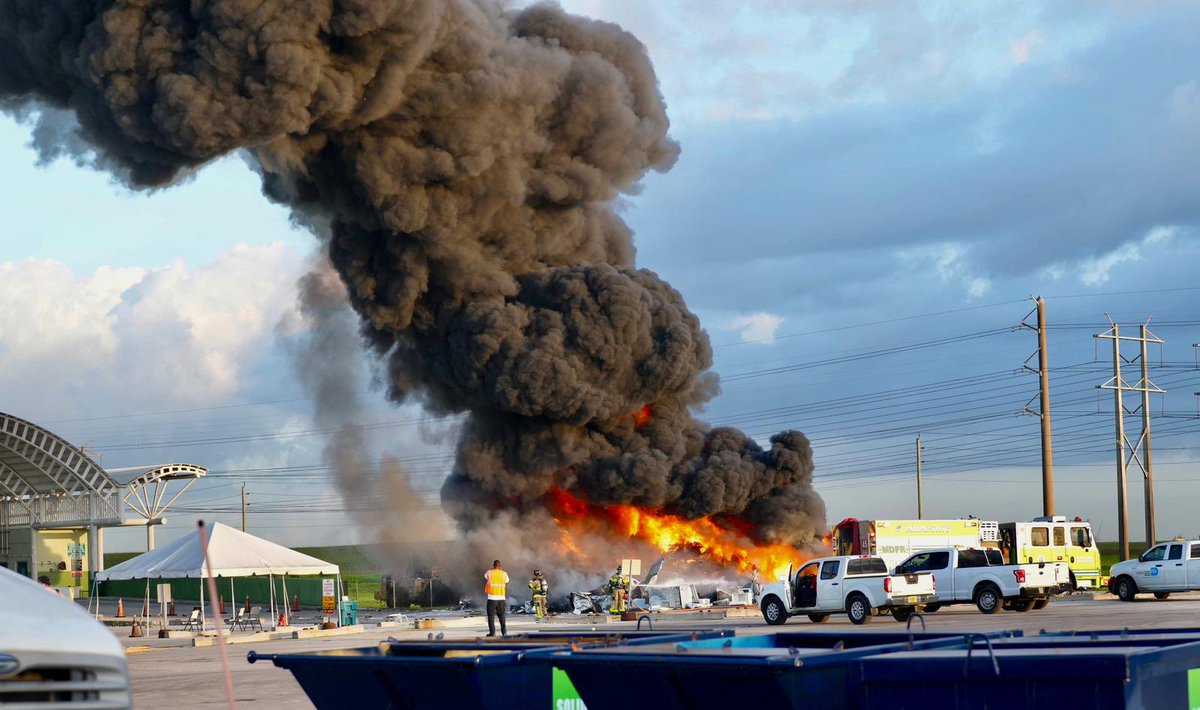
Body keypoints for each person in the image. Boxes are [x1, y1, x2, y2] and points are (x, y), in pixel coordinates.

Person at [483, 559, 510, 637]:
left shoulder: (489, 573)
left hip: (492, 598)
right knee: (502, 615)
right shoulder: (504, 574)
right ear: (500, 566)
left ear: (493, 565)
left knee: (491, 616)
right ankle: (504, 632)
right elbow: (507, 580)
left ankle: (492, 632)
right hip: (501, 598)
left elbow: (485, 576)